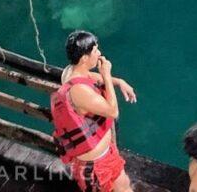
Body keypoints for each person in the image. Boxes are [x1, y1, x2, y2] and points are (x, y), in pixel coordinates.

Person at [51, 30, 137, 192]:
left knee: (124, 186)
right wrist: (106, 73)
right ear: (84, 58)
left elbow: (91, 77)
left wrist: (119, 81)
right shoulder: (78, 91)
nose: (99, 53)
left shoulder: (74, 71)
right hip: (94, 166)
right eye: (96, 50)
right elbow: (112, 111)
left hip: (108, 153)